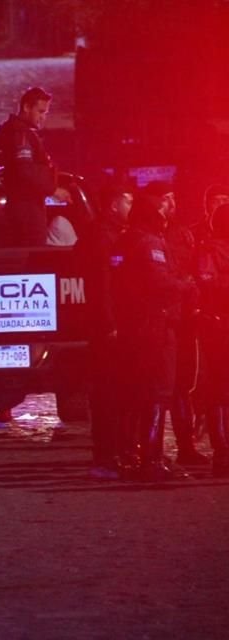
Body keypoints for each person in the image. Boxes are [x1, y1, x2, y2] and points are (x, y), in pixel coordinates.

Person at [116, 193, 197, 481]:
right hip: (155, 325)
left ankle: (134, 454)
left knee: (139, 392)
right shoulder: (149, 243)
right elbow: (159, 284)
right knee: (157, 393)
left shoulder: (124, 239)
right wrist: (186, 285)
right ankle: (152, 459)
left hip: (134, 326)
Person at [144, 181, 210, 465]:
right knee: (159, 387)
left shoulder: (182, 234)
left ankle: (185, 445)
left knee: (183, 384)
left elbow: (194, 269)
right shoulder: (147, 235)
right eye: (166, 199)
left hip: (184, 319)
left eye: (173, 198)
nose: (171, 204)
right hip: (160, 320)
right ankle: (148, 451)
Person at [76, 180, 133, 478]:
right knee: (108, 394)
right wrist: (109, 322)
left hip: (114, 324)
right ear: (113, 204)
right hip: (106, 327)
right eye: (127, 201)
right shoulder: (100, 236)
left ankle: (119, 453)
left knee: (119, 393)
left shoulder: (113, 233)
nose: (130, 207)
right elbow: (102, 285)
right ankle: (106, 457)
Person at [0, 87, 71, 246]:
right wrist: (53, 190)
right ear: (27, 107)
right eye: (40, 112)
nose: (43, 118)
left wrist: (9, 163)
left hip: (25, 204)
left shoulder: (12, 128)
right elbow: (25, 170)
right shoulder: (21, 133)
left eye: (45, 113)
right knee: (33, 251)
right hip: (28, 207)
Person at [195, 202, 229, 476]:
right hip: (218, 326)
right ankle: (222, 451)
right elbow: (206, 282)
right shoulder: (209, 250)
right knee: (219, 390)